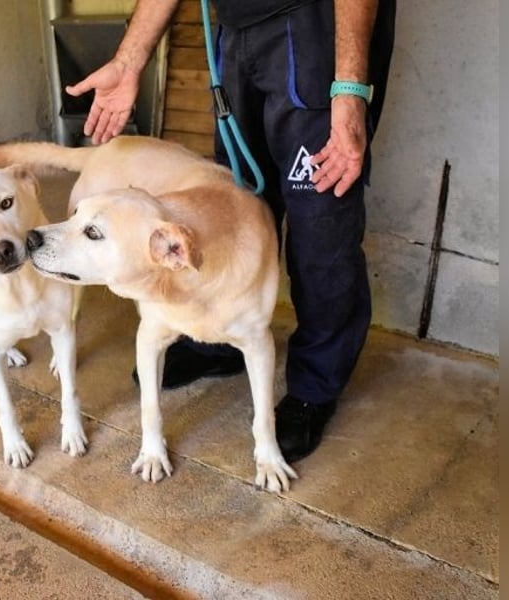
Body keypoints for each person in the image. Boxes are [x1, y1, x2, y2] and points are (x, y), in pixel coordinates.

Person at [64, 0, 395, 463]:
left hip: (312, 27)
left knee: (320, 228)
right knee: (233, 204)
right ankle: (214, 341)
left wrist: (349, 88)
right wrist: (128, 60)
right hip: (237, 32)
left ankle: (314, 387)